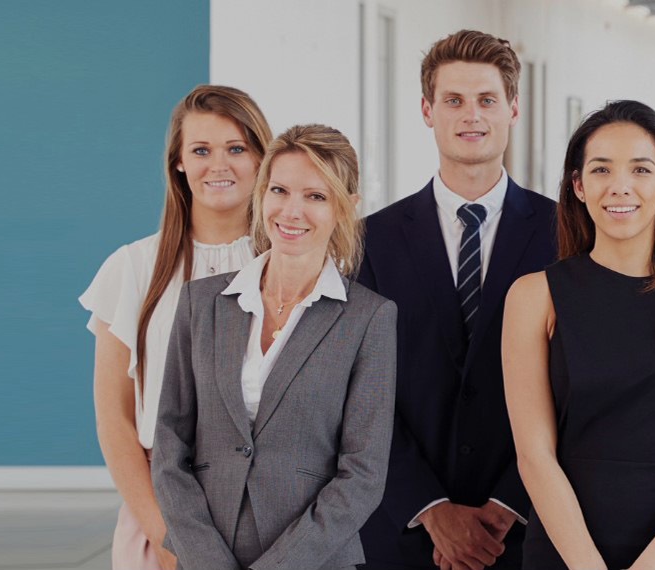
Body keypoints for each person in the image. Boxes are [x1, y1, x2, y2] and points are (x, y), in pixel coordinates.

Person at [502, 100, 655, 569]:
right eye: (601, 170)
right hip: (563, 551)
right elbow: (534, 457)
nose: (620, 186)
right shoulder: (534, 297)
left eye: (640, 169)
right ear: (577, 186)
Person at [152, 124, 396, 569]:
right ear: (261, 194)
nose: (291, 210)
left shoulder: (370, 318)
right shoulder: (200, 302)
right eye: (279, 190)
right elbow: (169, 447)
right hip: (207, 556)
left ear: (346, 209)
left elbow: (362, 474)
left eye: (316, 196)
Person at [357, 30, 557, 570]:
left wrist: (508, 502)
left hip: (529, 528)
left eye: (487, 100)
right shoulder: (370, 241)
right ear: (427, 110)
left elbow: (578, 383)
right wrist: (430, 508)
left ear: (513, 108)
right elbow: (361, 394)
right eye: (454, 101)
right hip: (404, 532)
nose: (472, 115)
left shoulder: (567, 233)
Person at [81, 84, 271, 569]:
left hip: (273, 516)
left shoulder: (295, 267)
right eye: (201, 150)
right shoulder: (132, 268)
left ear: (260, 158)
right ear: (179, 163)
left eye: (236, 148)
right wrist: (164, 534)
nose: (219, 165)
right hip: (160, 514)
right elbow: (115, 421)